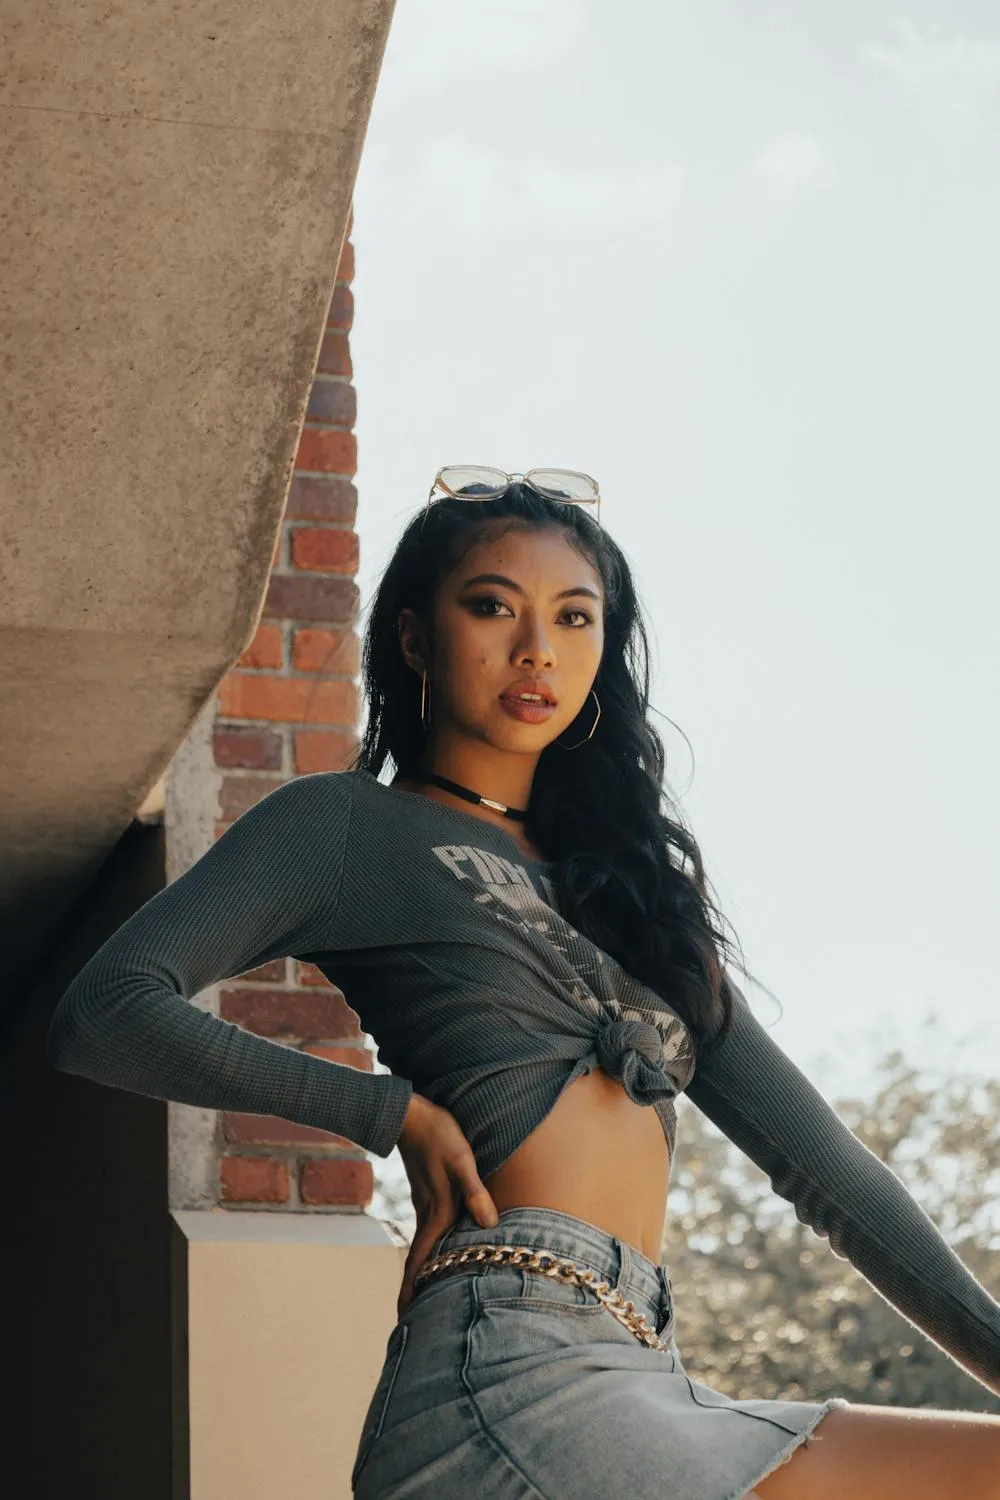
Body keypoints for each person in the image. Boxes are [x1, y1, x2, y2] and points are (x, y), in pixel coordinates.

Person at [48, 470, 1000, 1499]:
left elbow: (830, 1176)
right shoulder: (348, 830)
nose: (536, 647)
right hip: (503, 1359)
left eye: (574, 617)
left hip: (648, 1363)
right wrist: (389, 1113)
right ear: (414, 637)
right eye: (493, 605)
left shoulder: (637, 897)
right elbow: (108, 1010)